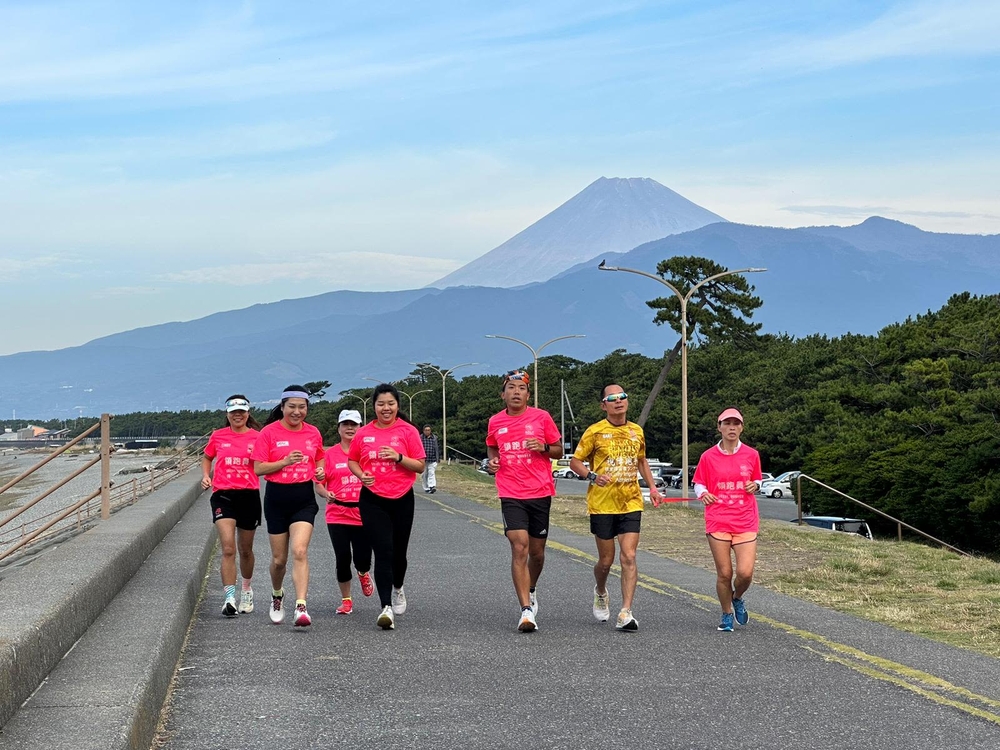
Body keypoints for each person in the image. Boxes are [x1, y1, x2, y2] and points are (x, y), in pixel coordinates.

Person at [569, 384, 662, 631]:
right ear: (604, 405)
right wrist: (592, 476)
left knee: (629, 556)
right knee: (606, 560)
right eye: (612, 398)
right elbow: (574, 462)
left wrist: (652, 488)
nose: (618, 401)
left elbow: (642, 461)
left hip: (630, 501)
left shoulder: (636, 431)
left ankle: (625, 612)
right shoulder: (595, 431)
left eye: (622, 397)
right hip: (602, 503)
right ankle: (600, 590)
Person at [486, 369, 562, 633]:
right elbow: (492, 447)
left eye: (521, 388)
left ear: (528, 394)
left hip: (540, 491)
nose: (516, 392)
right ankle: (526, 610)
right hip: (510, 492)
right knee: (519, 547)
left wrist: (542, 447)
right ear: (503, 393)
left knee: (537, 554)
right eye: (511, 388)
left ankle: (531, 587)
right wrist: (492, 462)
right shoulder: (495, 421)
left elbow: (558, 449)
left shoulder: (541, 418)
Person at [348, 384, 425, 630]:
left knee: (399, 552)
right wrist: (361, 475)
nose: (386, 408)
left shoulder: (408, 431)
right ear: (374, 407)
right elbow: (352, 460)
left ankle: (398, 588)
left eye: (390, 403)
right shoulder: (364, 433)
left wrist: (399, 457)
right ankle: (386, 607)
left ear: (397, 406)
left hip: (402, 497)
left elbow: (420, 466)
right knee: (383, 550)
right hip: (372, 498)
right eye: (381, 404)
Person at [251, 385, 326, 628]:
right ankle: (276, 594)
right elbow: (259, 468)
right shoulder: (269, 433)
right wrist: (284, 462)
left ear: (307, 409)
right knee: (279, 560)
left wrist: (321, 470)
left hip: (303, 497)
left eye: (302, 407)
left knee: (300, 551)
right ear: (282, 407)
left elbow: (320, 456)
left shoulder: (313, 432)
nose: (296, 412)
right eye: (291, 407)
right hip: (276, 498)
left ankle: (301, 606)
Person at [692, 407, 763, 632]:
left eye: (736, 423)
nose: (732, 427)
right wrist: (703, 494)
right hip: (718, 519)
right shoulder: (708, 456)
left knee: (745, 573)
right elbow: (699, 483)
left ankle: (738, 596)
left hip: (745, 520)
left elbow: (758, 479)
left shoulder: (751, 454)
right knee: (724, 573)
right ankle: (726, 614)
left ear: (741, 427)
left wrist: (756, 485)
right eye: (727, 423)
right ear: (719, 427)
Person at [201, 395, 263, 618]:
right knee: (228, 548)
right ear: (227, 414)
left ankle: (246, 590)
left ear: (248, 413)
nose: (238, 415)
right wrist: (206, 476)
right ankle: (229, 597)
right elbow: (207, 457)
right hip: (223, 495)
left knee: (245, 550)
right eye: (233, 411)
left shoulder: (258, 437)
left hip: (249, 495)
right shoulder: (218, 436)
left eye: (242, 411)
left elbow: (268, 462)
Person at [315, 409, 374, 615]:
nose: (350, 428)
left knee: (363, 557)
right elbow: (319, 484)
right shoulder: (329, 455)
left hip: (363, 513)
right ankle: (346, 600)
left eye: (354, 425)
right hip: (337, 513)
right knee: (342, 558)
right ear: (339, 428)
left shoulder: (367, 453)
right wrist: (325, 493)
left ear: (360, 428)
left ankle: (363, 572)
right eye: (345, 425)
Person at [420, 425, 440, 494]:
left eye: (429, 430)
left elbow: (437, 448)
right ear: (423, 431)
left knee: (431, 472)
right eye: (426, 430)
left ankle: (432, 486)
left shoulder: (434, 438)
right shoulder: (420, 438)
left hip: (432, 459)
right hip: (423, 459)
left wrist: (438, 458)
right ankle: (426, 487)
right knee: (424, 474)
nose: (427, 431)